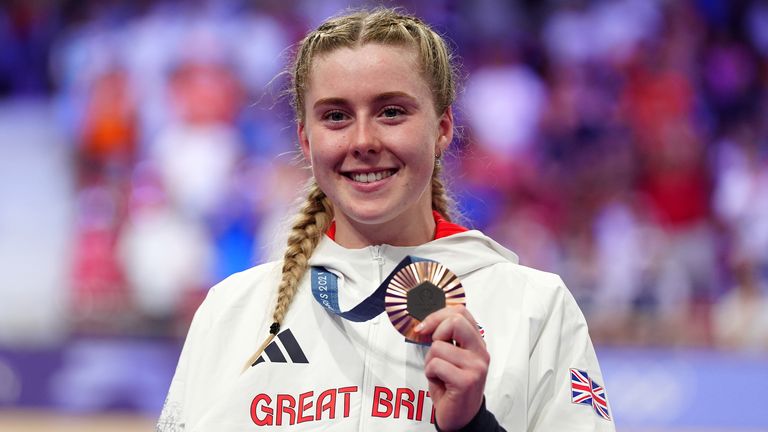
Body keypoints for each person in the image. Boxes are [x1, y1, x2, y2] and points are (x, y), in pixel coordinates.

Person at [157, 7, 615, 431]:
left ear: (443, 128)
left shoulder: (534, 307)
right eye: (335, 116)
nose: (363, 140)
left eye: (391, 112)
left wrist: (473, 425)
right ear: (306, 140)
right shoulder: (230, 312)